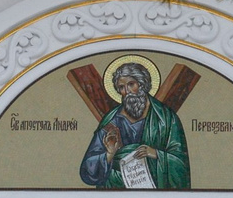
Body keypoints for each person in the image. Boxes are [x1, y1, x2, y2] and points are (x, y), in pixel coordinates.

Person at [77, 60, 190, 190]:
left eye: (131, 84)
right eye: (121, 87)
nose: (127, 91)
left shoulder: (166, 118)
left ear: (142, 84)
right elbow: (87, 169)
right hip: (115, 189)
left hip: (153, 189)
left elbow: (181, 163)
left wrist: (156, 154)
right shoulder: (111, 121)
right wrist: (109, 154)